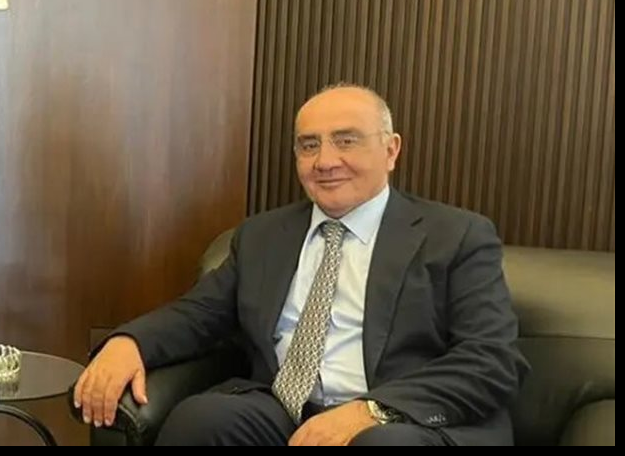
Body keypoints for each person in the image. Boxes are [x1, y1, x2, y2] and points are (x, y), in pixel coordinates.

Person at [74, 83, 528, 446]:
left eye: (346, 140)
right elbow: (199, 313)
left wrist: (368, 411)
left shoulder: (457, 236)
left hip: (401, 420)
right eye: (309, 145)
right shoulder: (263, 235)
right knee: (202, 419)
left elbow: (491, 359)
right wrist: (130, 343)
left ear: (391, 150)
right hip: (285, 410)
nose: (325, 161)